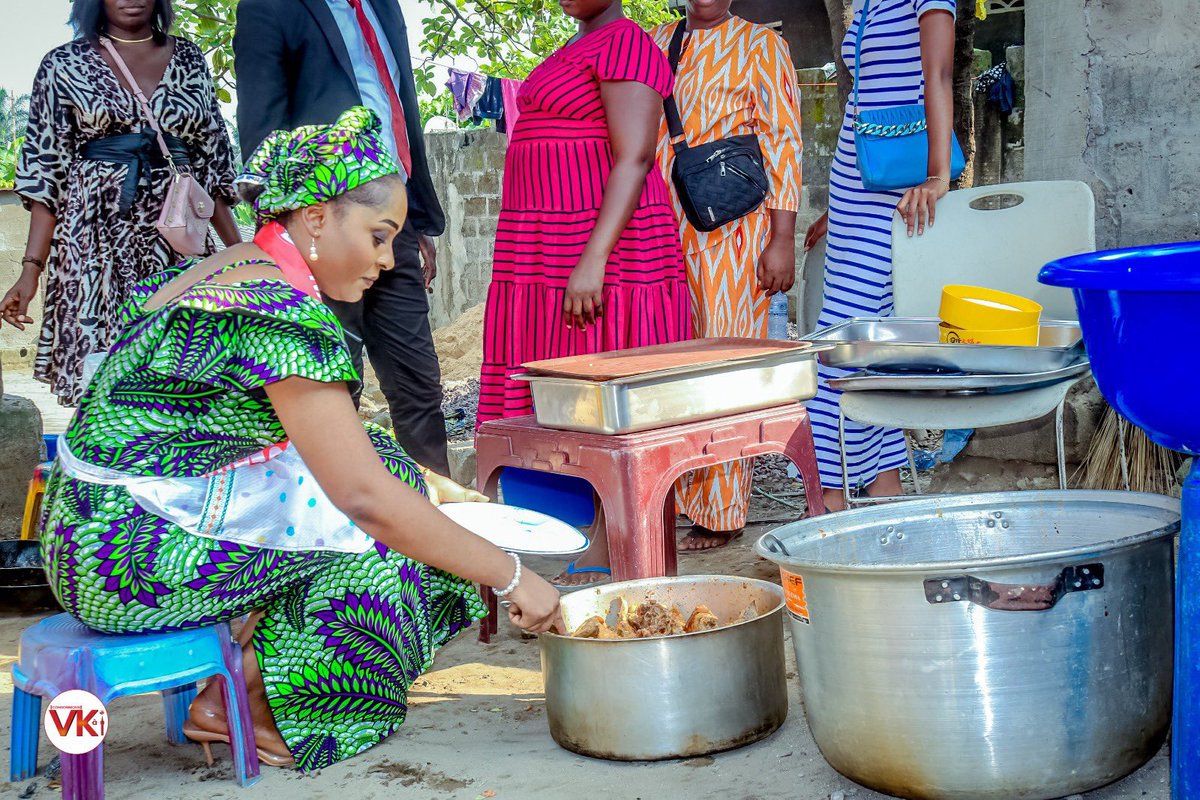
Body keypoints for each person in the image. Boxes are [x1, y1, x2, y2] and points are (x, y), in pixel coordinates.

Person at [37, 108, 564, 773]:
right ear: (316, 216)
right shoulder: (276, 310)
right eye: (378, 234)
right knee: (402, 548)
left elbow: (344, 450)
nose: (386, 258)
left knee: (404, 483)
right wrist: (511, 574)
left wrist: (438, 489)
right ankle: (261, 712)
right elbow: (364, 498)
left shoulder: (232, 270)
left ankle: (240, 679)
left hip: (84, 534)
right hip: (125, 562)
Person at [476, 0, 691, 586]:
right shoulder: (574, 47)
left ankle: (611, 541)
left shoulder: (626, 44)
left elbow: (636, 156)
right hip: (543, 250)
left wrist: (591, 260)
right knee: (562, 400)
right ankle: (569, 532)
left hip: (603, 254)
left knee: (604, 400)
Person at [233, 0, 451, 475]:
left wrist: (405, 224)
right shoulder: (270, 8)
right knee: (328, 386)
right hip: (321, 230)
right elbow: (261, 129)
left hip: (392, 220)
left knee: (418, 384)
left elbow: (401, 115)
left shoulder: (382, 9)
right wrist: (291, 230)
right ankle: (332, 535)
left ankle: (436, 523)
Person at [0, 0, 241, 405]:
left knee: (187, 362)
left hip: (176, 239)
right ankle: (106, 461)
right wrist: (31, 271)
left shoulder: (189, 58)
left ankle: (176, 460)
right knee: (101, 370)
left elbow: (212, 166)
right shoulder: (64, 63)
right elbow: (46, 173)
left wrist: (242, 254)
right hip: (93, 239)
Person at [651, 0, 803, 552]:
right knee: (674, 366)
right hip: (666, 228)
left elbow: (784, 142)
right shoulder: (661, 37)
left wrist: (782, 239)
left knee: (722, 367)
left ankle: (722, 512)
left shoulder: (762, 45)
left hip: (736, 233)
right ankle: (676, 497)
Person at [803, 0, 956, 511]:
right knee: (866, 340)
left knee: (841, 343)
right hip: (856, 176)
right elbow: (863, 97)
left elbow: (937, 75)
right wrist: (834, 210)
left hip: (901, 178)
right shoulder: (869, 2)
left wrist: (938, 175)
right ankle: (882, 480)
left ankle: (825, 493)